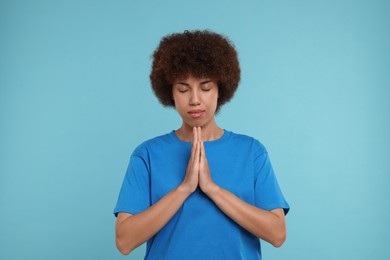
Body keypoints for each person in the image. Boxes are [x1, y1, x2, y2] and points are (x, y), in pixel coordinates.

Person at [114, 30, 290, 259]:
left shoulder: (251, 152)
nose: (195, 99)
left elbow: (277, 234)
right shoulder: (147, 155)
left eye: (205, 87)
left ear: (220, 89)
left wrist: (212, 189)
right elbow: (124, 241)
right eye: (183, 88)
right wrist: (185, 188)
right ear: (171, 93)